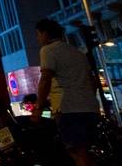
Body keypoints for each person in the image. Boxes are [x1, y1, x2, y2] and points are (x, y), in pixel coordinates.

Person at [31, 18, 99, 166]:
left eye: (38, 34)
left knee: (77, 151)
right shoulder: (77, 52)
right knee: (85, 150)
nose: (37, 39)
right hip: (90, 107)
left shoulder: (48, 50)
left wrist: (38, 107)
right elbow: (92, 81)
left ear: (45, 34)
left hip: (68, 108)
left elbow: (45, 80)